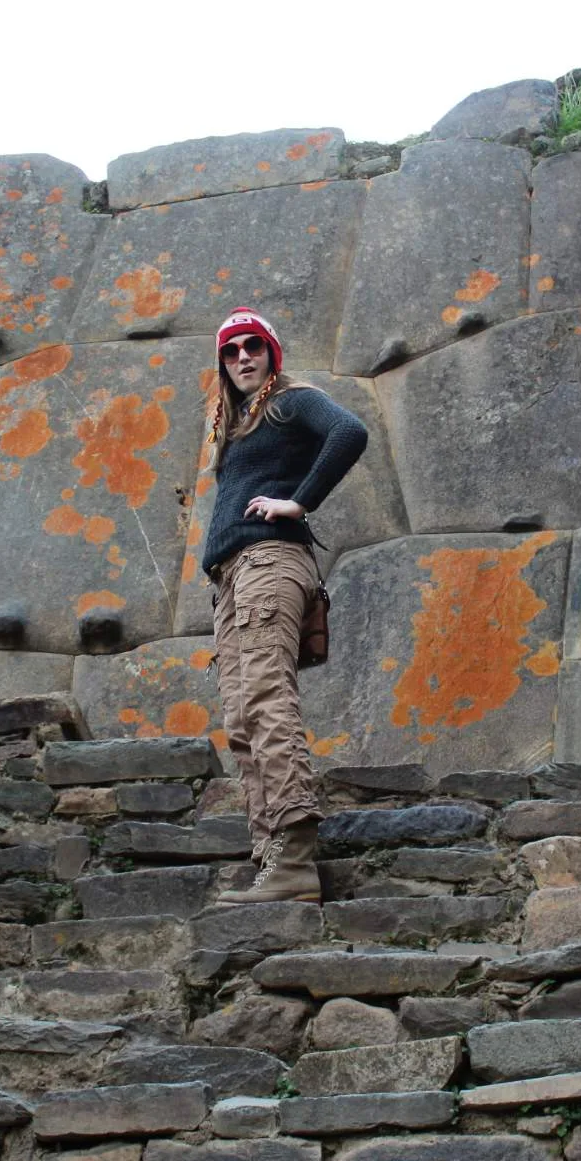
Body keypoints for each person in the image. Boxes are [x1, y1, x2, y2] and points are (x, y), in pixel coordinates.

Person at [200, 308, 367, 904]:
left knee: (267, 695)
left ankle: (295, 856)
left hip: (270, 562)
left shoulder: (289, 400)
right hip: (233, 579)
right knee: (241, 716)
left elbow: (350, 432)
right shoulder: (239, 421)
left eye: (254, 346)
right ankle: (271, 856)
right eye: (231, 351)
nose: (243, 357)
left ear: (272, 352)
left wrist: (298, 503)